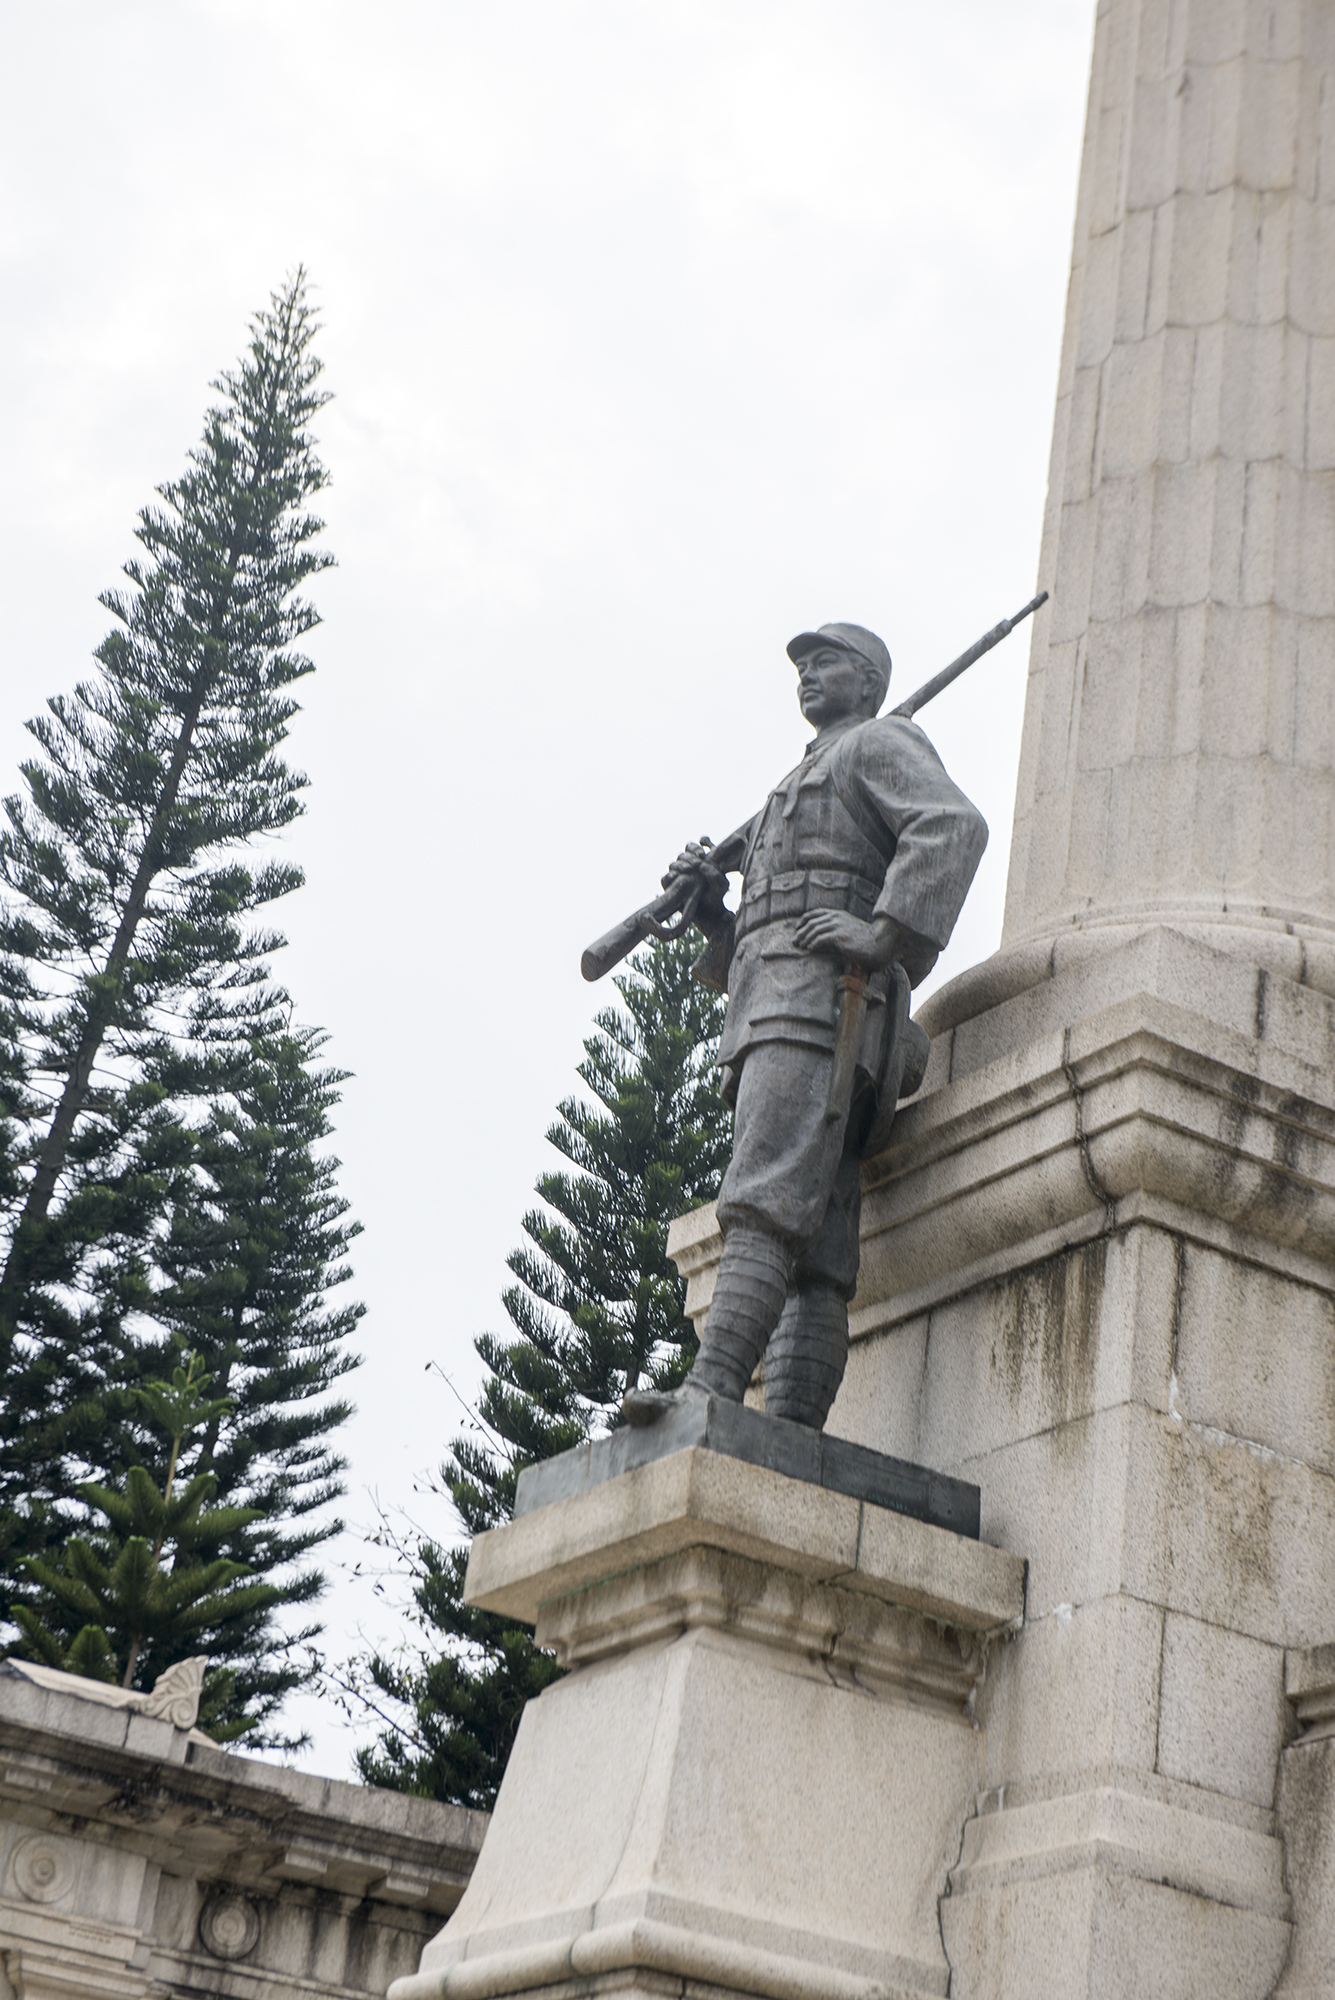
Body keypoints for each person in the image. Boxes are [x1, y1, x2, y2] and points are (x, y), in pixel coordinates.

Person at [623, 622, 987, 1432]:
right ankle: (789, 1428)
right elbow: (759, 927)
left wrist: (882, 932)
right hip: (778, 998)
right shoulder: (791, 786)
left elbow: (951, 826)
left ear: (867, 682)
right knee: (817, 1249)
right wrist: (715, 912)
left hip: (824, 1003)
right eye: (802, 666)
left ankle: (711, 1390)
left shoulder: (879, 743)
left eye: (825, 663)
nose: (807, 676)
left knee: (761, 1201)